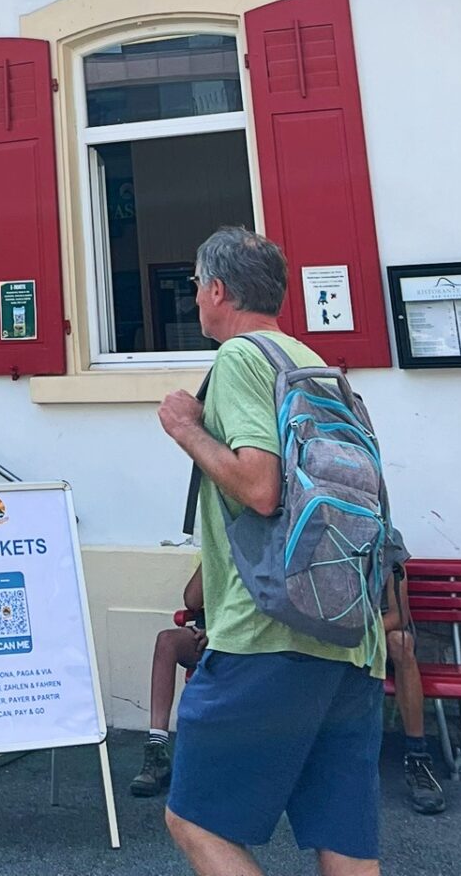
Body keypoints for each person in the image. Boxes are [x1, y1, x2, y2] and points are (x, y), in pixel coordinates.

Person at [156, 225, 386, 876]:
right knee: (344, 843)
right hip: (351, 636)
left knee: (195, 820)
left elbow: (259, 488)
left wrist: (185, 429)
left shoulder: (239, 359)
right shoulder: (310, 365)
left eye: (198, 287)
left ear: (219, 290)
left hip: (269, 631)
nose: (197, 299)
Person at [131, 566, 206, 797]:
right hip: (207, 631)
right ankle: (157, 749)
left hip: (244, 632)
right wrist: (212, 552)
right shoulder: (220, 539)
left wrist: (221, 629)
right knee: (167, 641)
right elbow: (192, 600)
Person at [381, 566, 446, 815]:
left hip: (376, 633)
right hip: (337, 637)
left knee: (401, 642)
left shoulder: (388, 546)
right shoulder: (324, 542)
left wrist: (362, 631)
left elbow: (399, 616)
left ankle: (418, 757)